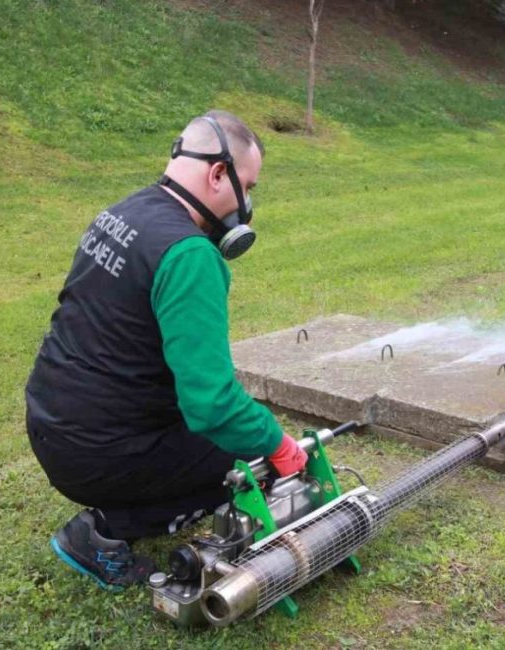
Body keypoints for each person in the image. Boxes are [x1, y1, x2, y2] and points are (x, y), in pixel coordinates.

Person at [24, 110, 307, 591]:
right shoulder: (190, 254)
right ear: (217, 174)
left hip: (50, 422)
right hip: (97, 450)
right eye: (247, 187)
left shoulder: (122, 213)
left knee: (223, 437)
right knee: (246, 460)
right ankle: (104, 533)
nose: (246, 205)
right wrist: (278, 444)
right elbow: (213, 404)